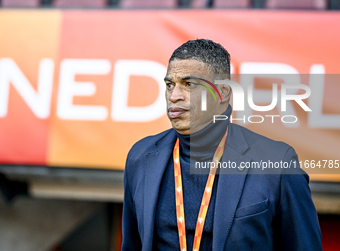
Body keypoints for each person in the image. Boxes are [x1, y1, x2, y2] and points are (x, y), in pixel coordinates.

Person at [122, 39, 322, 251]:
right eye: (170, 84)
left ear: (223, 93)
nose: (174, 96)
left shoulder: (277, 163)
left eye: (189, 84)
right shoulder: (141, 157)